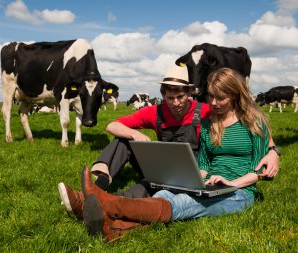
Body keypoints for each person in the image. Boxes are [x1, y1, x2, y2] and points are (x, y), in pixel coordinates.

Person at [58, 65, 280, 220]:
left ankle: (103, 207)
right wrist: (136, 135)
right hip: (180, 171)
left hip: (210, 178)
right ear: (162, 94)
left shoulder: (205, 113)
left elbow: (249, 131)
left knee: (158, 191)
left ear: (189, 93)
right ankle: (97, 189)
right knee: (123, 142)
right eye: (170, 97)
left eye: (180, 96)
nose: (175, 103)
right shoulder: (167, 113)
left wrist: (272, 150)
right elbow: (111, 125)